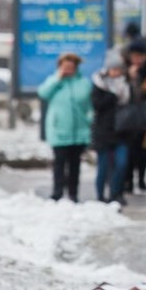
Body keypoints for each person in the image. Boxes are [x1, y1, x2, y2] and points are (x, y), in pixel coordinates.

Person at [37, 52, 93, 203]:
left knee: (75, 165)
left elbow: (90, 105)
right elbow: (43, 93)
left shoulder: (84, 83)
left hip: (79, 131)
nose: (68, 69)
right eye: (65, 66)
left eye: (71, 67)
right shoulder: (54, 81)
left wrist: (89, 119)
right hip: (59, 130)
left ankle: (73, 193)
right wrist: (58, 78)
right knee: (59, 163)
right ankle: (57, 192)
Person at [90, 50, 131, 205]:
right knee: (103, 166)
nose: (116, 72)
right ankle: (100, 195)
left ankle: (116, 193)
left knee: (122, 163)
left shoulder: (126, 84)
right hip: (103, 131)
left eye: (119, 69)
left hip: (121, 131)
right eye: (114, 69)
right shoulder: (99, 84)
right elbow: (96, 105)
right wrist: (112, 95)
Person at [122, 39, 146, 194]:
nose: (137, 59)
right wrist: (129, 78)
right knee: (129, 151)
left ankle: (142, 179)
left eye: (140, 56)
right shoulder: (124, 71)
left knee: (143, 150)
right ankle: (128, 180)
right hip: (129, 117)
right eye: (134, 56)